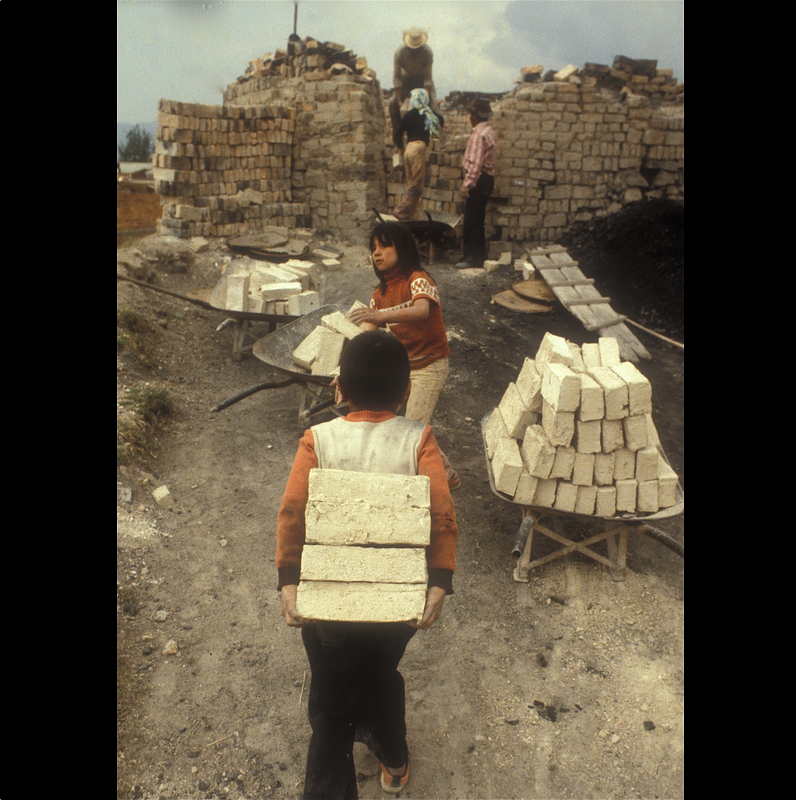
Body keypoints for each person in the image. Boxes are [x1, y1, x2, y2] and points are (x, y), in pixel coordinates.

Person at [276, 329, 459, 799]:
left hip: (327, 602)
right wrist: (438, 581)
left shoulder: (318, 439)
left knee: (331, 696)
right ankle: (394, 760)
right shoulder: (419, 440)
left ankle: (328, 780)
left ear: (338, 387)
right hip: (395, 604)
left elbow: (293, 511)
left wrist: (289, 582)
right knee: (379, 676)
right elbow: (442, 514)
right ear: (406, 392)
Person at [347, 221, 459, 490]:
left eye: (385, 246)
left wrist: (380, 315)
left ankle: (438, 479)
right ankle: (443, 471)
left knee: (414, 426)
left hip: (431, 362)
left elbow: (421, 311)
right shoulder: (379, 294)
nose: (377, 253)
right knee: (404, 425)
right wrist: (343, 370)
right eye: (373, 248)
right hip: (406, 367)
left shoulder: (417, 278)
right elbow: (366, 339)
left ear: (404, 248)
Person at [456, 98, 497, 268]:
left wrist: (467, 185)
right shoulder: (489, 130)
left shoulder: (479, 134)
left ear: (474, 116)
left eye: (470, 114)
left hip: (479, 180)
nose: (469, 117)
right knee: (477, 219)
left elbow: (476, 164)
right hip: (487, 180)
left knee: (471, 220)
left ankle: (473, 258)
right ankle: (478, 256)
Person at [392, 88, 444, 221]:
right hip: (419, 148)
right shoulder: (427, 113)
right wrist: (434, 108)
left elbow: (397, 133)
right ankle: (401, 211)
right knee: (417, 185)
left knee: (411, 184)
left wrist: (400, 148)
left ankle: (411, 217)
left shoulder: (408, 114)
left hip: (408, 149)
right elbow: (441, 121)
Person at [389, 28, 436, 142]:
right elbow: (397, 78)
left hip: (421, 79)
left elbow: (428, 79)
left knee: (432, 105)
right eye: (412, 49)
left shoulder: (427, 52)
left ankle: (430, 140)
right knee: (393, 104)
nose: (414, 51)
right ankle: (398, 143)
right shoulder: (399, 52)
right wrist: (400, 102)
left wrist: (424, 102)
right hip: (406, 80)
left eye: (417, 49)